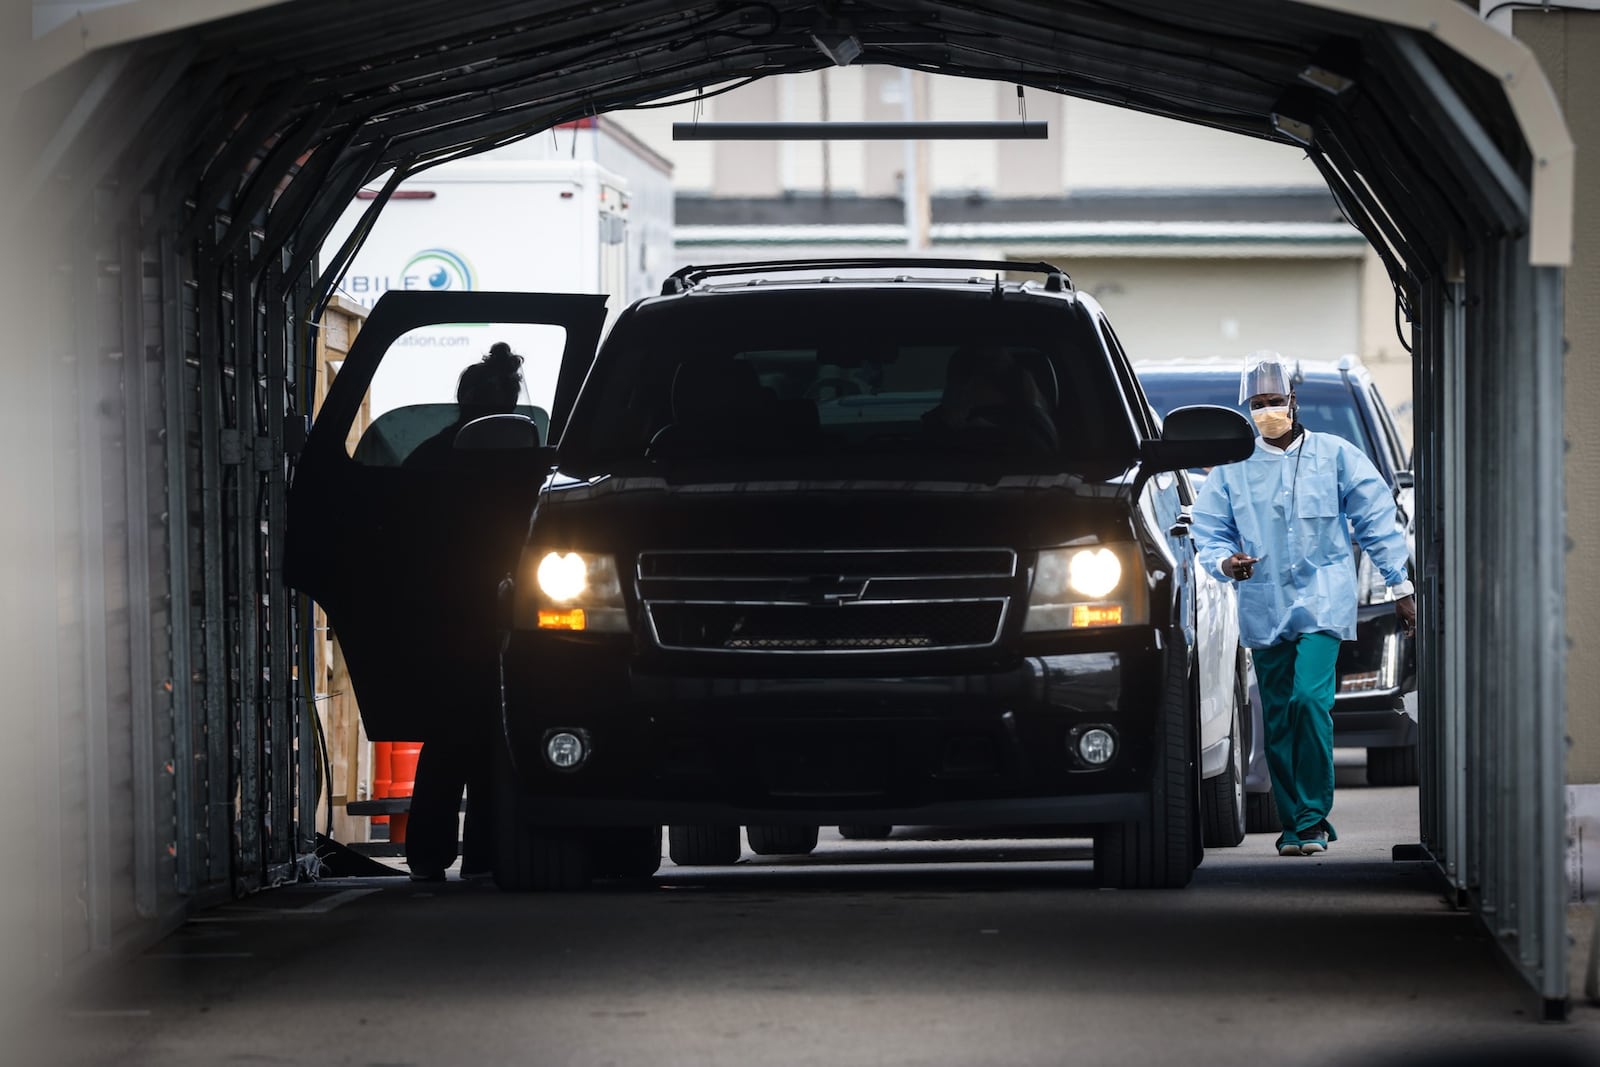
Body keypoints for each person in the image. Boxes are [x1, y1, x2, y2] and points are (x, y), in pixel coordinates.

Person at [1191, 352, 1417, 858]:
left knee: (1309, 702)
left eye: (1274, 401)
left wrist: (1400, 589)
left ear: (1294, 401)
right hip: (1264, 602)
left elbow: (1377, 521)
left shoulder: (1336, 456)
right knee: (1276, 717)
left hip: (1323, 599)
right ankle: (1296, 825)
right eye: (1257, 403)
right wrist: (1227, 563)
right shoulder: (1232, 470)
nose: (1267, 410)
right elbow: (1210, 532)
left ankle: (1313, 817)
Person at [403, 342, 524, 881]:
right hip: (512, 618)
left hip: (445, 619)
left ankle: (428, 855)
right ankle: (486, 853)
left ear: (462, 399)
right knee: (500, 740)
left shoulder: (431, 457)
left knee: (447, 739)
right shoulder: (531, 462)